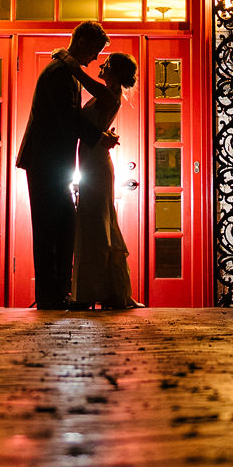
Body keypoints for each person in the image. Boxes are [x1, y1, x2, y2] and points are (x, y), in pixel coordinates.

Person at [14, 21, 109, 310]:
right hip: (47, 161)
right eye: (95, 50)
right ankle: (50, 295)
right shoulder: (60, 73)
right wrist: (98, 137)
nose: (95, 59)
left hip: (48, 161)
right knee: (52, 227)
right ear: (81, 41)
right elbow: (67, 117)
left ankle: (53, 293)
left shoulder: (64, 70)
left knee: (57, 225)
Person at [71, 52, 141, 310]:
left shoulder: (108, 93)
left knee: (96, 223)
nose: (101, 65)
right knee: (97, 222)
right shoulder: (109, 95)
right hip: (92, 160)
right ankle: (110, 290)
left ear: (113, 71)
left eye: (106, 63)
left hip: (96, 164)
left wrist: (70, 63)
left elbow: (83, 80)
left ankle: (93, 290)